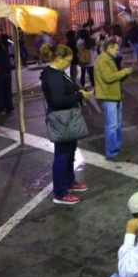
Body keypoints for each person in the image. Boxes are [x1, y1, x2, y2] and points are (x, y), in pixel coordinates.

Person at [39, 44, 90, 205]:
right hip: (62, 120)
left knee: (69, 152)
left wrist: (79, 92)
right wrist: (79, 96)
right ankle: (60, 192)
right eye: (67, 60)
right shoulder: (53, 75)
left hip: (68, 118)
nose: (69, 63)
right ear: (59, 59)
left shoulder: (58, 73)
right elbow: (59, 100)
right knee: (62, 156)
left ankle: (69, 181)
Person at [94, 39, 134, 161]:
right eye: (116, 49)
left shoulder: (109, 59)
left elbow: (114, 78)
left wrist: (125, 75)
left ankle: (116, 146)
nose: (118, 51)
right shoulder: (102, 60)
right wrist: (124, 72)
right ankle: (111, 151)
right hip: (108, 97)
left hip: (115, 96)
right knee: (112, 125)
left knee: (117, 123)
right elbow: (108, 78)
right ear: (109, 48)